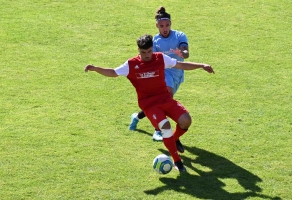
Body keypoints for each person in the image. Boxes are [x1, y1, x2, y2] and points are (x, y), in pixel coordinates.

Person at [84, 34, 214, 172]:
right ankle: (177, 161)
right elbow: (113, 72)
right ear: (138, 50)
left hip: (165, 99)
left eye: (149, 51)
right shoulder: (131, 64)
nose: (147, 55)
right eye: (143, 52)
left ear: (153, 48)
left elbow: (180, 64)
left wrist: (202, 65)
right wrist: (95, 68)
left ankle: (173, 140)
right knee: (166, 127)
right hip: (149, 105)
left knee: (186, 120)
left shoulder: (160, 58)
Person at [129, 6, 190, 142]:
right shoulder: (155, 42)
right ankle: (159, 131)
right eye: (162, 26)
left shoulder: (180, 36)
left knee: (159, 103)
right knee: (166, 98)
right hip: (163, 73)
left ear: (171, 24)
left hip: (178, 73)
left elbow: (186, 53)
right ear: (157, 26)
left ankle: (136, 117)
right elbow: (151, 59)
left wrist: (182, 53)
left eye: (167, 25)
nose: (165, 28)